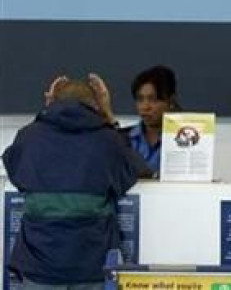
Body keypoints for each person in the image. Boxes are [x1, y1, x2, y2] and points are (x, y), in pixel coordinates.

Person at [2, 78, 140, 289]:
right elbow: (130, 171)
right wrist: (109, 115)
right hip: (91, 263)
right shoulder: (108, 140)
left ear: (53, 102)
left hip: (40, 264)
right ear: (96, 105)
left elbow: (15, 169)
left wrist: (46, 113)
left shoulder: (29, 136)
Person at [117, 65, 180, 176]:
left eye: (153, 100)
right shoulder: (123, 138)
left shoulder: (183, 140)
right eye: (140, 99)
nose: (145, 107)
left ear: (171, 102)